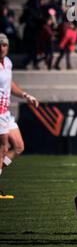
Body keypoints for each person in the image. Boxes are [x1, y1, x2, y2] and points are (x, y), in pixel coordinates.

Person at [0, 34, 39, 197]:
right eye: (0, 45)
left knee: (19, 147)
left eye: (4, 45)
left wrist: (25, 95)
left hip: (6, 113)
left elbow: (10, 84)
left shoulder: (7, 63)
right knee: (3, 148)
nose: (2, 48)